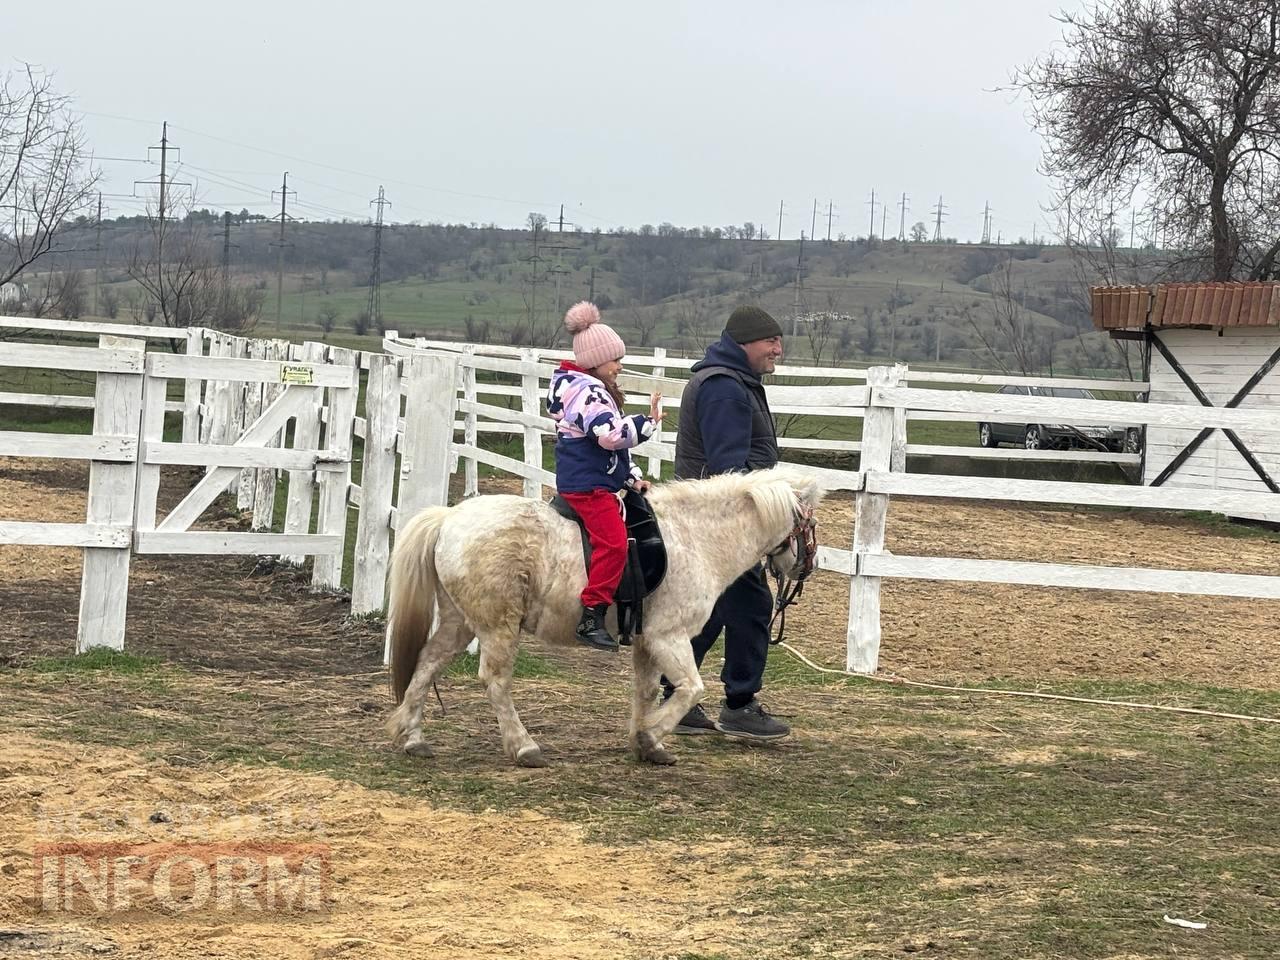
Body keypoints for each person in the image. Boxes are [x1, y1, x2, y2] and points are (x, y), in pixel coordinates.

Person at [664, 304, 790, 740]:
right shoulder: (724, 388)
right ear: (744, 343)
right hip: (718, 524)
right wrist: (774, 485)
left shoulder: (735, 382)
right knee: (745, 606)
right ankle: (737, 704)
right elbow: (727, 468)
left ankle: (679, 697)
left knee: (718, 610)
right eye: (770, 341)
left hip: (714, 522)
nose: (778, 349)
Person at [547, 301, 663, 652]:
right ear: (596, 361)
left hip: (594, 478)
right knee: (613, 543)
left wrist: (630, 480)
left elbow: (610, 453)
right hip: (588, 486)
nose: (619, 367)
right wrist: (647, 423)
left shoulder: (583, 388)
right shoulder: (588, 392)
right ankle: (592, 612)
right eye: (615, 360)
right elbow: (609, 437)